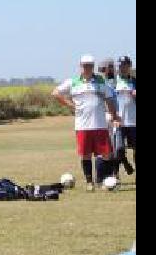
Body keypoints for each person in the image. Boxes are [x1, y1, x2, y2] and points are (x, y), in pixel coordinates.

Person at [52, 54, 121, 190]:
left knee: (106, 154)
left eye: (89, 65)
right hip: (82, 126)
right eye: (84, 66)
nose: (87, 68)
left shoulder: (100, 81)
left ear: (93, 66)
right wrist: (69, 104)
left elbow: (109, 99)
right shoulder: (73, 82)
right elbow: (55, 93)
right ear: (80, 66)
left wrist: (114, 115)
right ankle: (90, 182)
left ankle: (104, 180)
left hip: (100, 124)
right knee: (86, 155)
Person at [113, 55, 136, 176]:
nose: (123, 68)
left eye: (125, 65)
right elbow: (109, 100)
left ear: (129, 67)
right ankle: (120, 170)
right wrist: (113, 117)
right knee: (119, 149)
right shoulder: (113, 82)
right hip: (119, 122)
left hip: (134, 121)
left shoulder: (134, 81)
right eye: (120, 65)